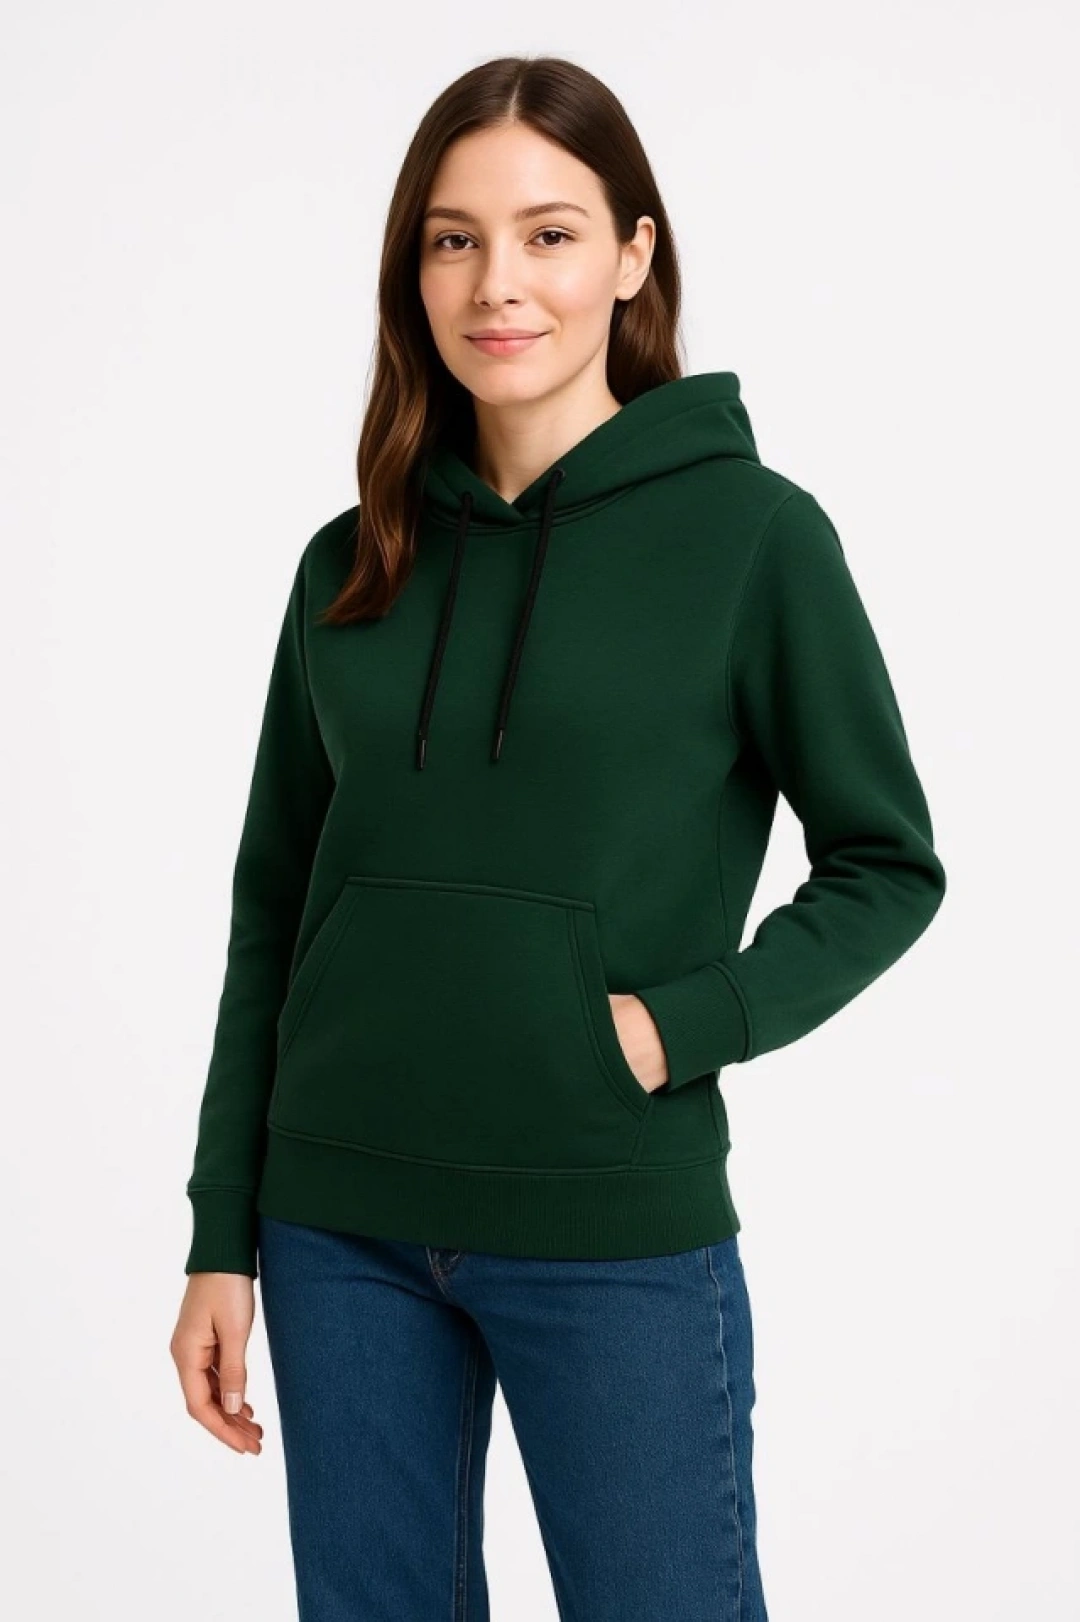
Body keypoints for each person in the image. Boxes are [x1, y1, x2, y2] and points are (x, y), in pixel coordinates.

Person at [169, 53, 946, 1622]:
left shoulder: (752, 539)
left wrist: (677, 1026)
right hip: (336, 1228)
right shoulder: (353, 562)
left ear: (634, 256)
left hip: (608, 1215)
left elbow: (887, 864)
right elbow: (274, 904)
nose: (498, 284)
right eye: (454, 240)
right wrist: (219, 1232)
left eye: (549, 234)